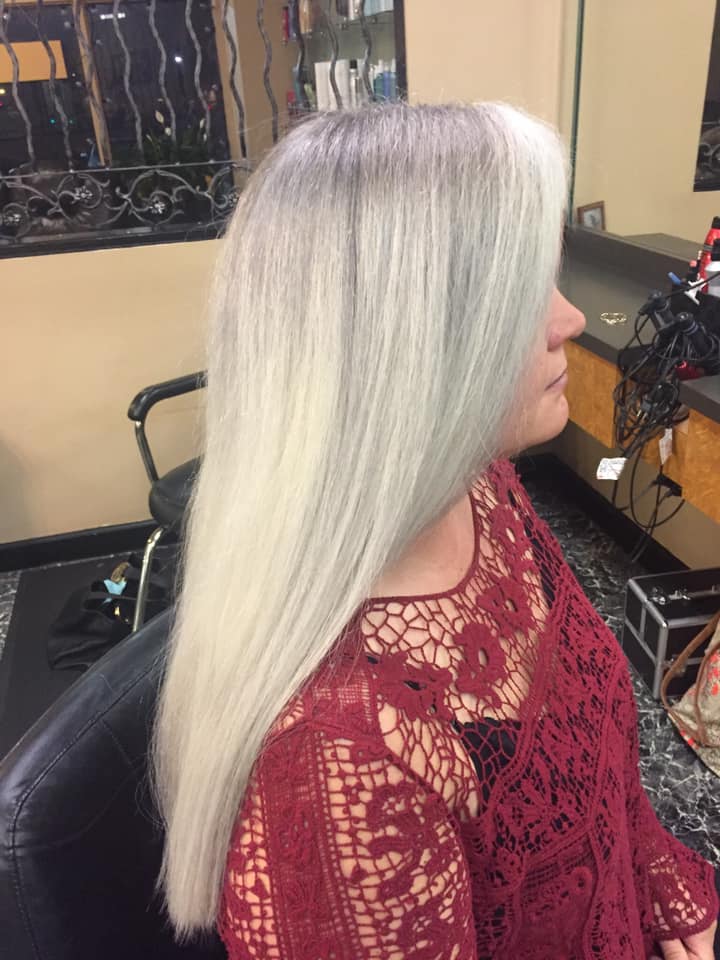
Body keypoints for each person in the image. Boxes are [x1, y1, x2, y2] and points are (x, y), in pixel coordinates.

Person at [152, 103, 719, 959]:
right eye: (525, 294)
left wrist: (665, 891)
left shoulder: (479, 492)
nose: (569, 319)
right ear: (412, 347)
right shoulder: (340, 765)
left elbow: (603, 772)